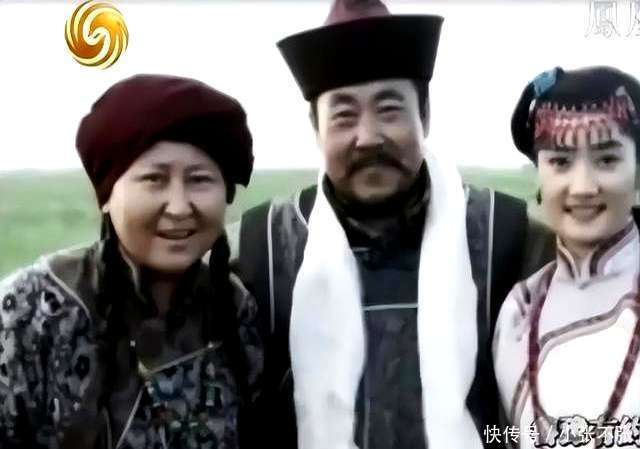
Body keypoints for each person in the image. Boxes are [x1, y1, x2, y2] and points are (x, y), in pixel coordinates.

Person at [233, 0, 554, 448]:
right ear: (316, 128)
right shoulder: (263, 248)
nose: (368, 137)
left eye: (389, 109)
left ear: (425, 115)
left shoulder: (509, 236)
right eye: (343, 116)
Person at [0, 74, 262, 449]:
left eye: (200, 179)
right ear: (106, 196)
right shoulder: (29, 310)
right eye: (154, 179)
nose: (179, 207)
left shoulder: (235, 312)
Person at [493, 66, 640, 448]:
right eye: (560, 162)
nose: (583, 187)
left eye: (607, 160)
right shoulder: (519, 311)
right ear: (539, 174)